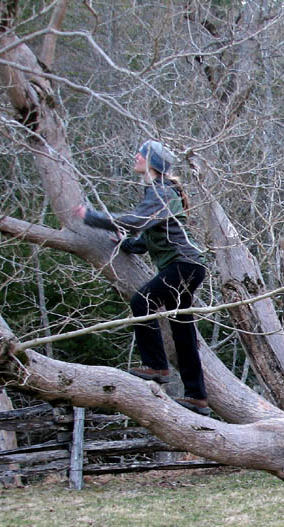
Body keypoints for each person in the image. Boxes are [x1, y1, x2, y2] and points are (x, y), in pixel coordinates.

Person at [73, 141, 211, 416]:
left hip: (183, 265)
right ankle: (197, 397)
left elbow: (135, 221)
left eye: (142, 153)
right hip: (188, 267)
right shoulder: (160, 193)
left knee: (142, 301)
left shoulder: (161, 192)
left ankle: (157, 367)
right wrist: (127, 245)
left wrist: (92, 217)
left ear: (153, 163)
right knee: (183, 333)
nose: (136, 155)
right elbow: (147, 238)